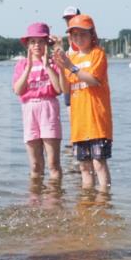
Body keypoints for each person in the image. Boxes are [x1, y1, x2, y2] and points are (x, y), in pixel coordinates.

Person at [54, 15, 113, 191]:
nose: (78, 38)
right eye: (74, 35)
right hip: (79, 123)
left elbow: (94, 80)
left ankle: (104, 201)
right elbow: (66, 89)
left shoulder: (98, 54)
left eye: (82, 34)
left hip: (97, 120)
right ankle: (87, 203)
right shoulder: (73, 59)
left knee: (99, 164)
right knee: (84, 167)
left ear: (92, 34)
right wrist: (62, 68)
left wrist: (70, 66)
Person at [12, 22, 65, 181]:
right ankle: (35, 200)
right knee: (35, 165)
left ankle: (54, 201)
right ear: (28, 44)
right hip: (29, 110)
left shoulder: (54, 63)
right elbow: (18, 90)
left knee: (53, 163)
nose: (37, 45)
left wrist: (47, 66)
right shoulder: (21, 65)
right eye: (33, 41)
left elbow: (58, 90)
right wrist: (28, 67)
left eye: (41, 41)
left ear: (47, 44)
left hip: (48, 107)